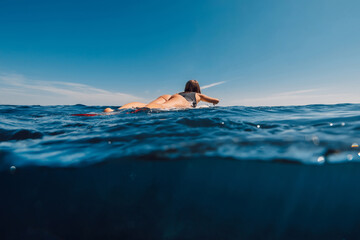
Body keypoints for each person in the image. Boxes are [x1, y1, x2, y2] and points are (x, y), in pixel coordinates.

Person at [104, 80, 219, 112]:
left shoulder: (181, 92)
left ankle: (115, 111)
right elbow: (216, 100)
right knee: (162, 107)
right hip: (182, 100)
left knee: (146, 104)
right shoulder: (198, 94)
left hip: (169, 95)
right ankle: (133, 112)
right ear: (197, 89)